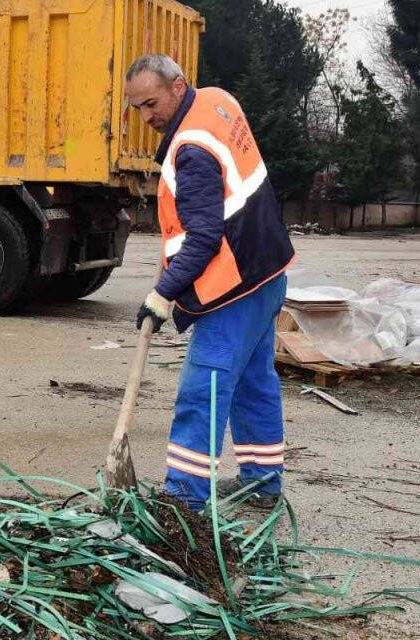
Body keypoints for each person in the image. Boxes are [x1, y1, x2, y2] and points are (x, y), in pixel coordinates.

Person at [124, 54, 296, 510]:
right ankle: (263, 481)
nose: (146, 118)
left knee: (205, 390)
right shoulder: (218, 101)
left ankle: (184, 498)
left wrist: (163, 294)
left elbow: (203, 238)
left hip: (233, 288)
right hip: (268, 273)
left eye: (151, 103)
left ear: (178, 86)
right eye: (137, 108)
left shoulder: (191, 149)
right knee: (254, 382)